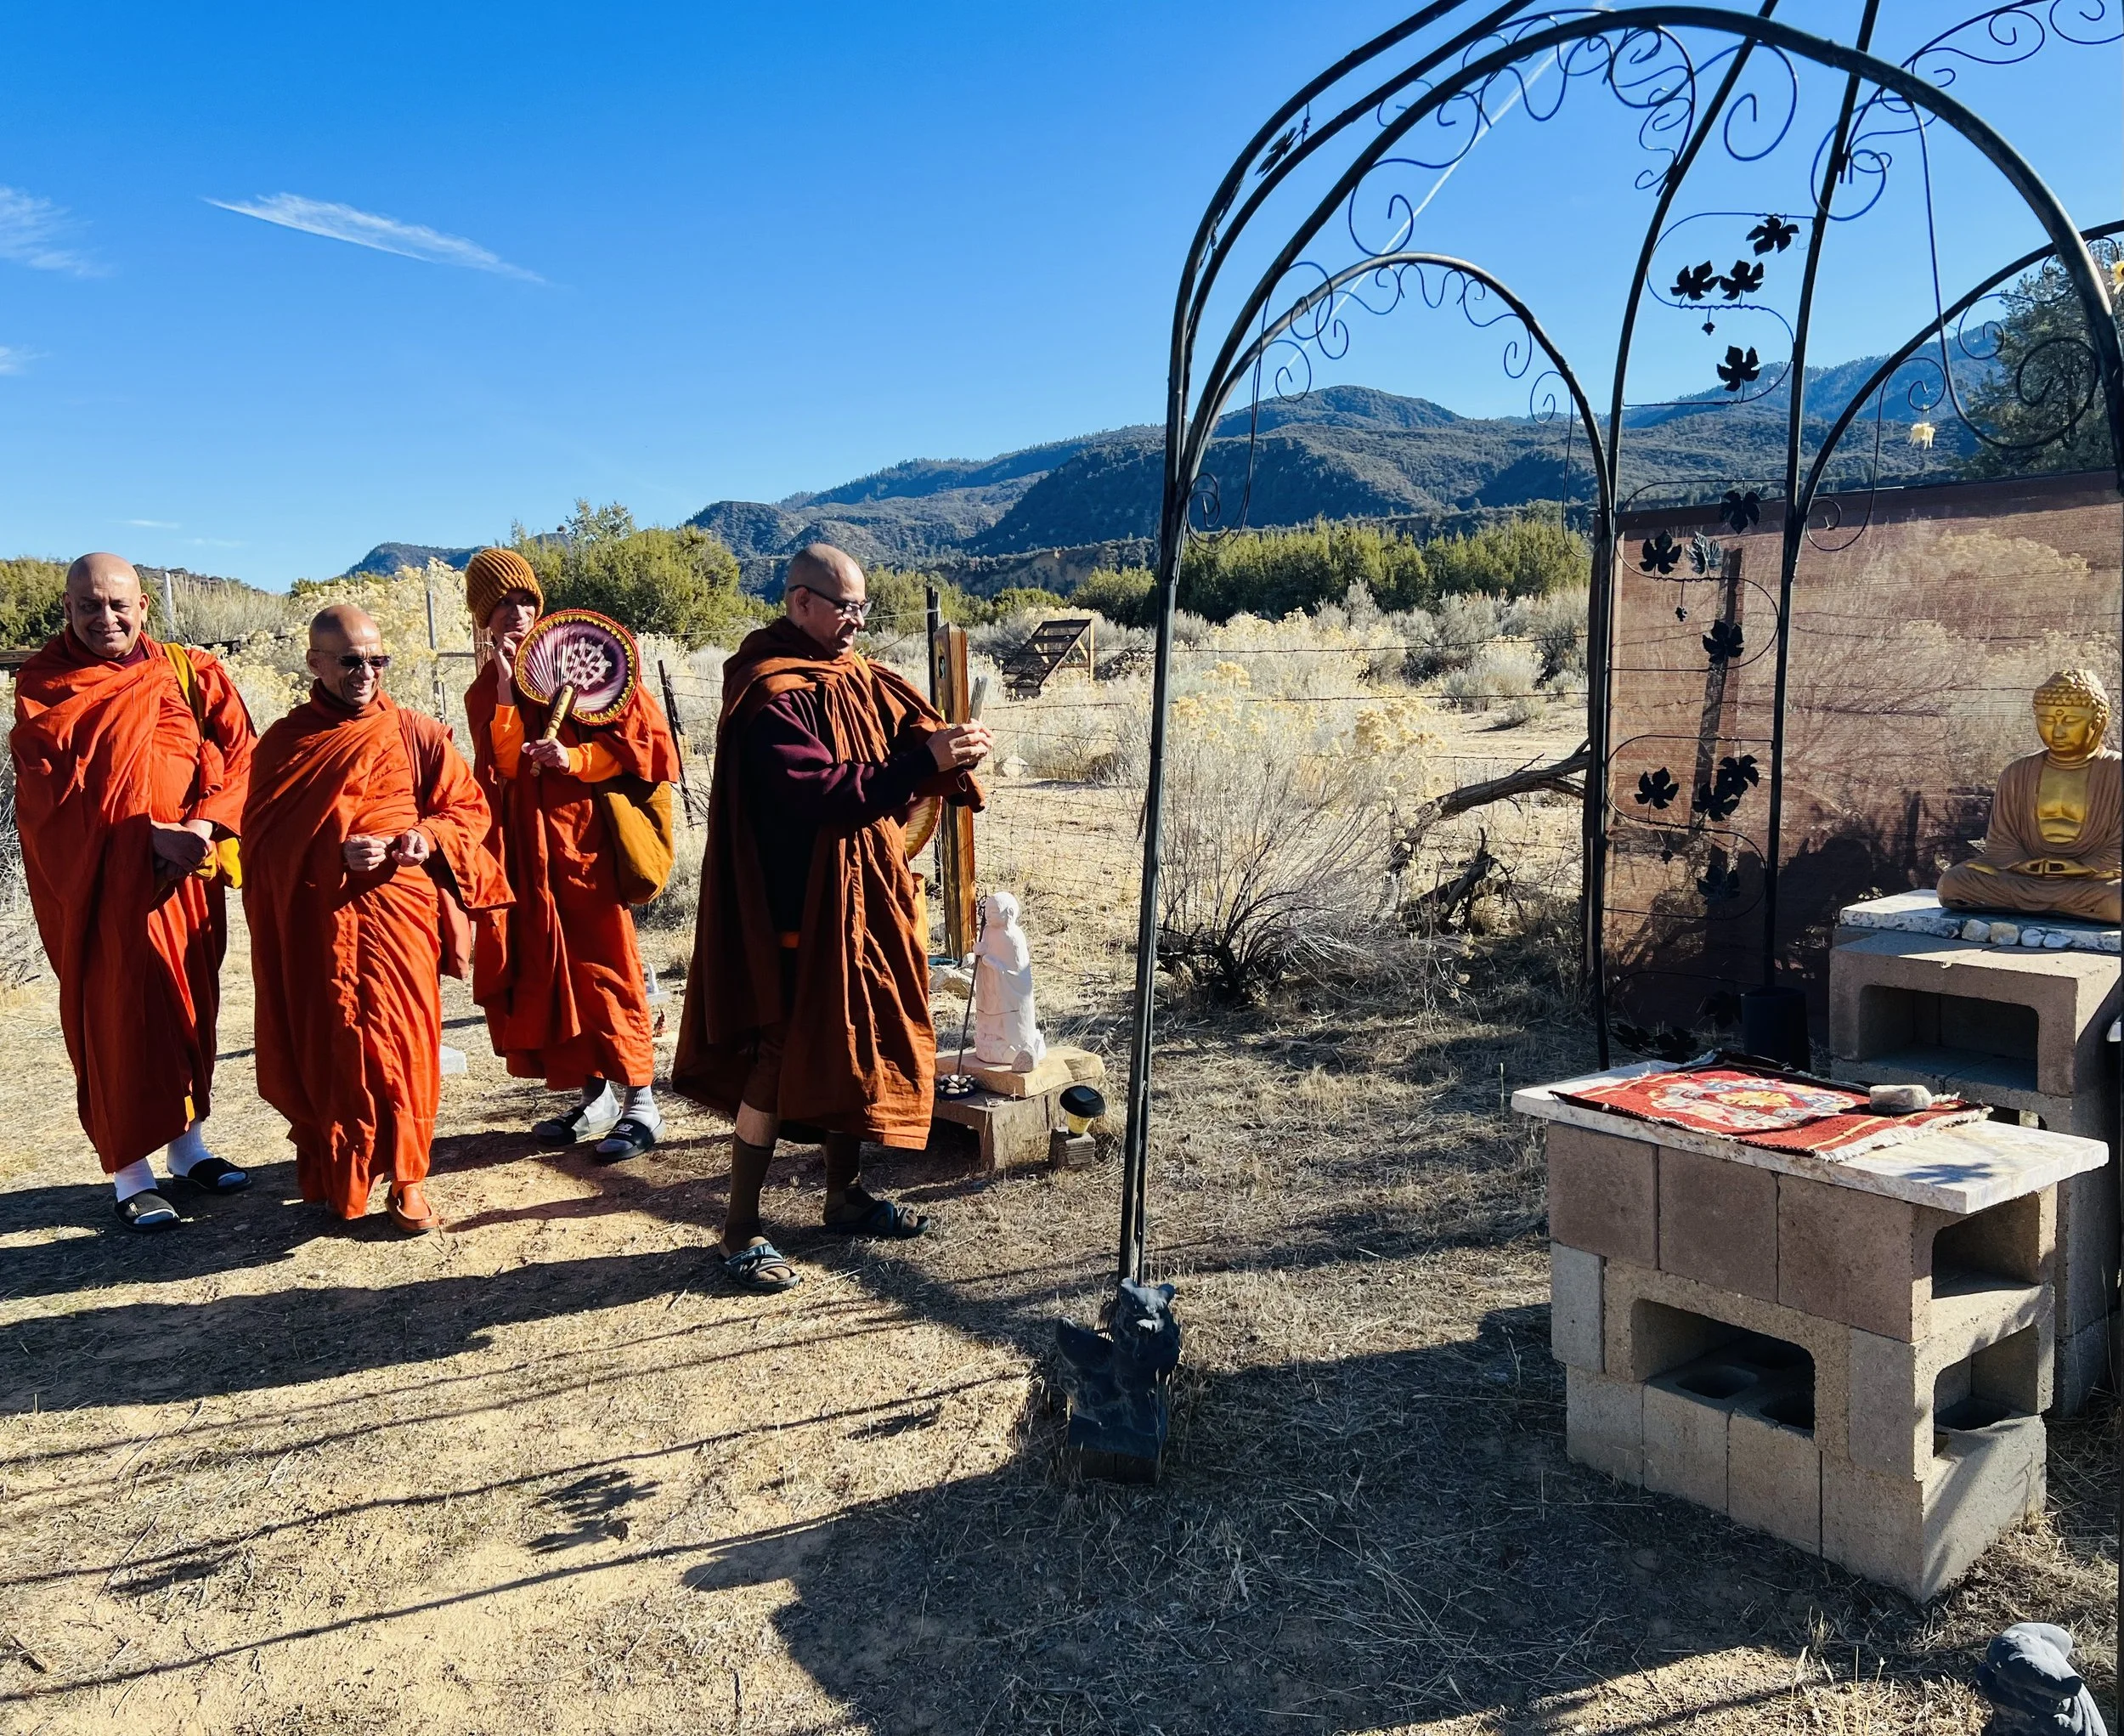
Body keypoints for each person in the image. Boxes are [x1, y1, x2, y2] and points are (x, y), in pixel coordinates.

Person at [673, 543, 990, 1292]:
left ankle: (843, 1197)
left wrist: (949, 751)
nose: (855, 620)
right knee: (779, 1059)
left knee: (862, 1037)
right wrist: (922, 761)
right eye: (842, 605)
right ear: (799, 602)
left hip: (869, 897)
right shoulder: (769, 691)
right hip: (796, 905)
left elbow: (906, 739)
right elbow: (823, 790)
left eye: (862, 607)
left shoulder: (858, 677)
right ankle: (740, 1227)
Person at [9, 553, 257, 1230]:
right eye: (89, 605)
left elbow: (239, 755)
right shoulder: (46, 684)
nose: (105, 617)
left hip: (186, 882)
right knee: (116, 1018)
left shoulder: (188, 671)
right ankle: (130, 1171)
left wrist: (203, 825)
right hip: (101, 891)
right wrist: (145, 838)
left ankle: (189, 1148)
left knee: (188, 1010)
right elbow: (52, 798)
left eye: (118, 604)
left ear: (144, 605)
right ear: (66, 610)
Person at [242, 604, 509, 1231]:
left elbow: (469, 811)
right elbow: (259, 845)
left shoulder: (416, 733)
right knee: (331, 1043)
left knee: (407, 1043)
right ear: (314, 662)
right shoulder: (286, 743)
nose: (367, 672)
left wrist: (425, 835)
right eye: (350, 661)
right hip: (323, 919)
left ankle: (410, 1176)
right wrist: (330, 848)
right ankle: (344, 1172)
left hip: (399, 915)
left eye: (377, 659)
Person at [459, 546, 681, 1160]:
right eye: (501, 603)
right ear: (483, 615)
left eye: (524, 598)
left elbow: (643, 746)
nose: (517, 611)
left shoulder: (581, 660)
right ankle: (595, 1097)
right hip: (528, 853)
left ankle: (641, 1102)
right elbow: (502, 765)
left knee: (606, 965)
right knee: (551, 970)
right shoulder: (488, 688)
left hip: (585, 844)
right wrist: (506, 688)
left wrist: (575, 759)